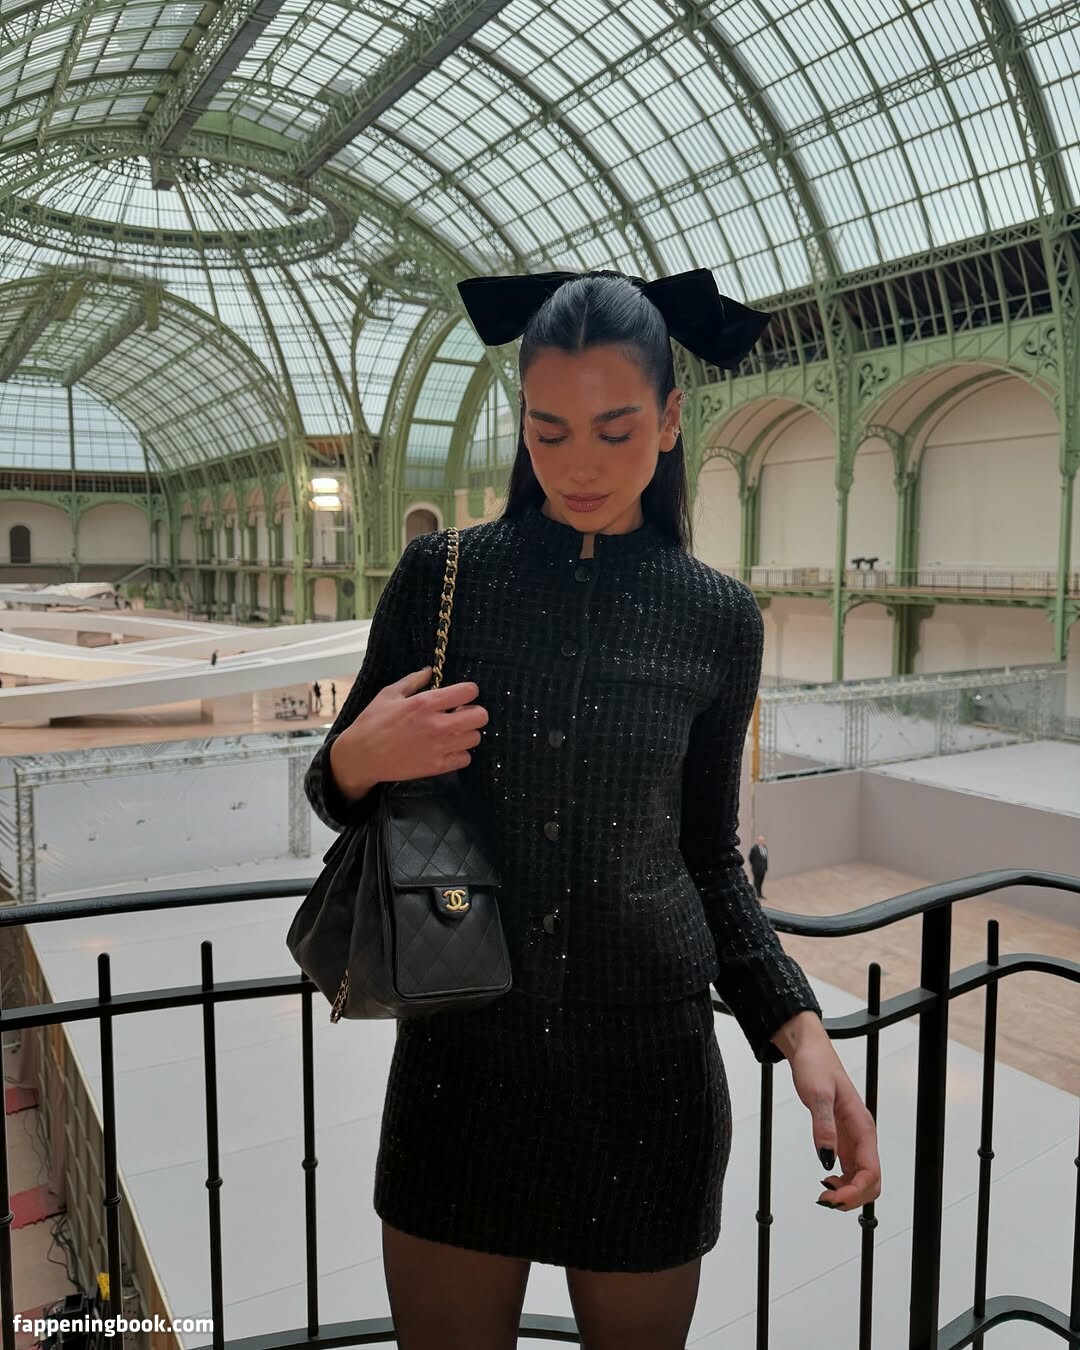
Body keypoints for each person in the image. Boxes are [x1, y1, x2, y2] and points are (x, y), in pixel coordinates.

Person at [303, 268, 881, 1349]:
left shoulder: (716, 617)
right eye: (547, 430)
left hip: (648, 1087)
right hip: (461, 1073)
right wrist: (357, 758)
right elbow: (335, 799)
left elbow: (708, 860)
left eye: (615, 430)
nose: (577, 465)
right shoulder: (441, 577)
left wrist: (801, 1032)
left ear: (669, 420)